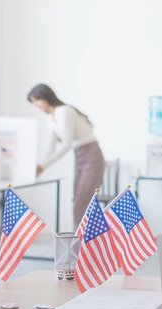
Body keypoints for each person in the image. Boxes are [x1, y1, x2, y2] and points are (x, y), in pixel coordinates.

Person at [27, 84, 105, 227]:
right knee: (78, 203)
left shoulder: (64, 111)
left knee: (81, 205)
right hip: (79, 156)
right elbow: (51, 146)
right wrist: (39, 165)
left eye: (36, 100)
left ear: (45, 97)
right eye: (33, 102)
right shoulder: (51, 118)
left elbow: (66, 144)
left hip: (92, 156)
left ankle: (82, 246)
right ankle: (82, 245)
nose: (36, 105)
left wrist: (42, 166)